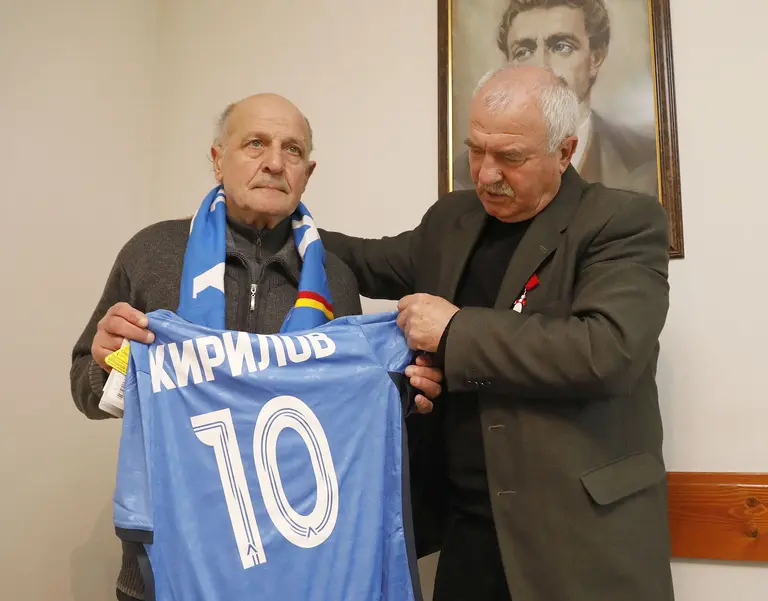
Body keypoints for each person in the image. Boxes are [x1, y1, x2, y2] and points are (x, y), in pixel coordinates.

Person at [69, 93, 442, 601]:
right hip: (175, 558)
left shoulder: (335, 277)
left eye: (292, 150)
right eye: (255, 144)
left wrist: (403, 393)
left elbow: (341, 415)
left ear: (308, 173)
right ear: (217, 159)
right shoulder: (152, 253)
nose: (274, 162)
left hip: (301, 567)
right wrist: (107, 363)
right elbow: (87, 390)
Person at [321, 65, 674, 601]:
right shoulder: (452, 219)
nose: (486, 174)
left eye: (510, 157)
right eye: (476, 150)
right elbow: (362, 261)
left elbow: (607, 350)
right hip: (469, 532)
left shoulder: (622, 220)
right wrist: (268, 219)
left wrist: (454, 332)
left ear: (565, 152)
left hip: (580, 537)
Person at [453, 0, 659, 198]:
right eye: (523, 52)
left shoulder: (644, 161)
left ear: (596, 58)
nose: (541, 66)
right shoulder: (463, 176)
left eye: (562, 47)